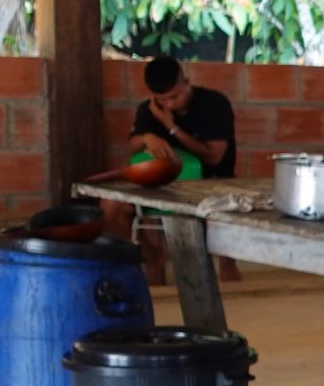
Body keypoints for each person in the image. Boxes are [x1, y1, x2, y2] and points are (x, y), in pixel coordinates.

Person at [103, 55, 240, 281]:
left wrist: (171, 127)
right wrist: (146, 138)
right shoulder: (150, 109)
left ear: (186, 83)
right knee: (111, 206)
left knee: (224, 213)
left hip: (211, 183)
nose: (168, 105)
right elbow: (131, 145)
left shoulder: (215, 104)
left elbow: (214, 157)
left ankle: (228, 271)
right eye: (162, 99)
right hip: (163, 186)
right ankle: (152, 256)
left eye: (174, 97)